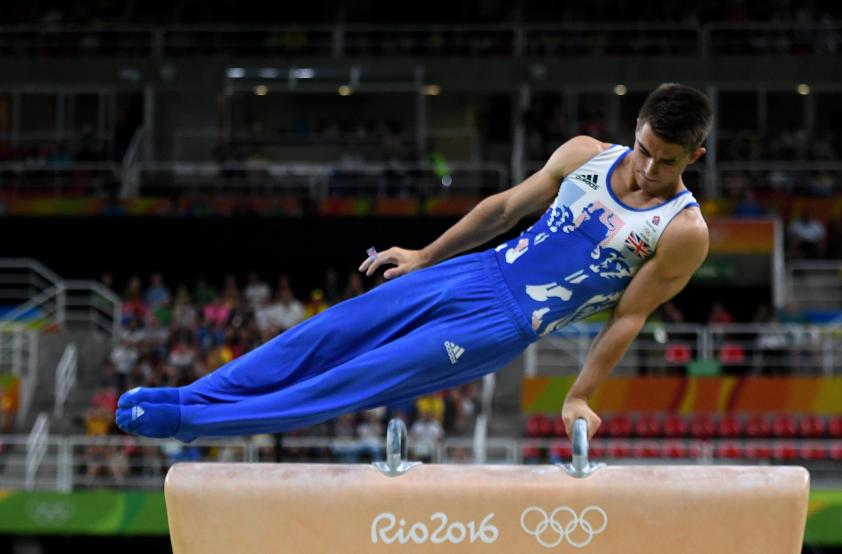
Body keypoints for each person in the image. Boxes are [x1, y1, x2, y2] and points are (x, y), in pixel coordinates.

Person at [116, 83, 712, 442]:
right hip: (476, 271)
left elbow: (627, 319)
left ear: (695, 154)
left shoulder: (682, 231)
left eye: (668, 161)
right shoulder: (586, 153)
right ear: (636, 128)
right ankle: (190, 397)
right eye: (645, 151)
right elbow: (503, 208)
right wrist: (427, 256)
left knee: (353, 379)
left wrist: (580, 395)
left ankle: (194, 426)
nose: (650, 169)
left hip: (503, 325)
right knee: (325, 333)